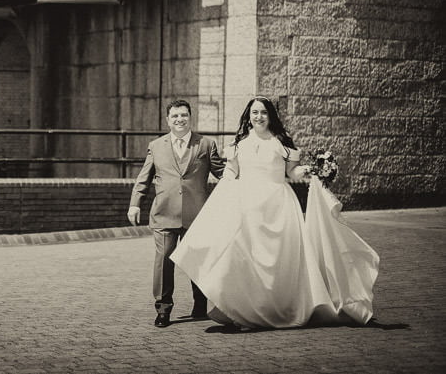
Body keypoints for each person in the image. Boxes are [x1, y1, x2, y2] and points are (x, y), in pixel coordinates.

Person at [171, 96, 379, 329]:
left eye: (263, 113)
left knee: (279, 261)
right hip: (248, 207)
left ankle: (278, 307)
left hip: (278, 207)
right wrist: (224, 194)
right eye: (254, 113)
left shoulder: (282, 143)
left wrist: (312, 169)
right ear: (248, 117)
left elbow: (292, 173)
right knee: (244, 257)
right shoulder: (240, 144)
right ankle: (240, 308)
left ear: (270, 116)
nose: (259, 117)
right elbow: (231, 170)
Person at [127, 99, 225, 328]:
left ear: (190, 117)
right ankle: (163, 309)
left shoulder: (206, 144)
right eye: (175, 116)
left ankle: (200, 303)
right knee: (163, 261)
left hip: (197, 215)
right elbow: (144, 177)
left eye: (184, 115)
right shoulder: (156, 145)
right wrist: (135, 203)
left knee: (197, 261)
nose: (180, 119)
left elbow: (223, 174)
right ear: (168, 120)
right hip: (164, 213)